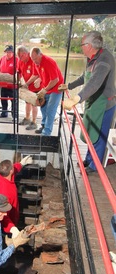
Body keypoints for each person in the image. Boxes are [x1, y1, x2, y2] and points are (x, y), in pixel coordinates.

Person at [58, 31, 116, 174]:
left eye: (82, 44)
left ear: (89, 46)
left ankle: (95, 166)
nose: (81, 47)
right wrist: (69, 86)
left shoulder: (105, 60)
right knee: (90, 133)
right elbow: (86, 77)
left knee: (98, 136)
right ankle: (89, 159)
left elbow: (94, 83)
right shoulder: (91, 58)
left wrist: (76, 99)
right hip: (92, 102)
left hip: (104, 105)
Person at [0, 155, 32, 238]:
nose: (14, 167)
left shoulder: (1, 176)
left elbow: (14, 169)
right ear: (11, 171)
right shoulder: (4, 193)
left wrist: (21, 163)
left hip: (12, 213)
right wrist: (12, 228)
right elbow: (2, 215)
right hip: (5, 224)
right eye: (12, 167)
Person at [29, 47, 64, 136]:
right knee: (43, 107)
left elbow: (55, 80)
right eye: (32, 59)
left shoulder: (49, 62)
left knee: (50, 110)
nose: (34, 61)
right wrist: (36, 80)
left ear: (41, 54)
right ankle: (44, 126)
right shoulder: (36, 63)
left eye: (36, 59)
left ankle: (46, 133)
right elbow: (37, 74)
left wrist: (44, 90)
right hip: (47, 86)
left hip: (56, 88)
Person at [16, 45, 41, 130]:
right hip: (27, 86)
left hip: (35, 85)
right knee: (27, 102)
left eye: (21, 55)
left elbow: (36, 74)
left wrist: (26, 83)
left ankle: (34, 122)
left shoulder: (33, 60)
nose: (20, 58)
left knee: (34, 103)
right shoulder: (20, 61)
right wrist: (18, 81)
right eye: (18, 56)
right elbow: (18, 72)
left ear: (26, 53)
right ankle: (27, 118)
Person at [0, 45, 18, 119]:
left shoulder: (16, 60)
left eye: (10, 52)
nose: (8, 54)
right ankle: (4, 113)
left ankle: (15, 116)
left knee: (14, 101)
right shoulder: (2, 59)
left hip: (12, 85)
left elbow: (19, 71)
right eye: (7, 52)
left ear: (13, 52)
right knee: (3, 99)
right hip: (2, 84)